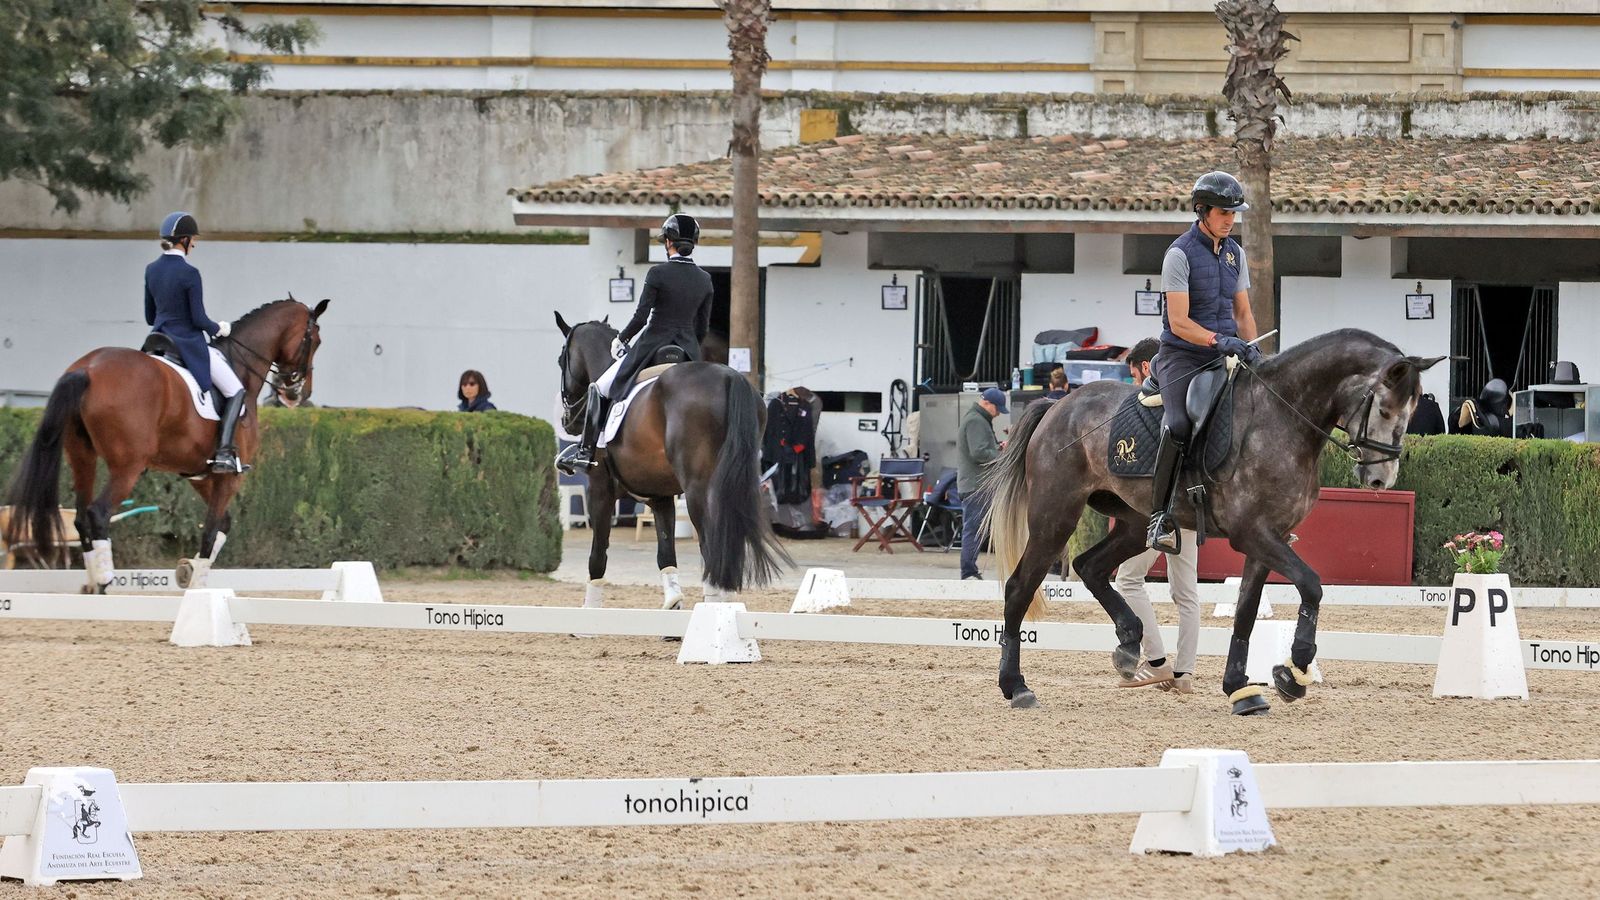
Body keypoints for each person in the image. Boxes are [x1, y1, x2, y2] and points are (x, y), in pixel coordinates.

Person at [1147, 172, 1262, 554]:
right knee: (1179, 423)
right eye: (1223, 212)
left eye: (1234, 213)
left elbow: (1243, 311)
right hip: (1183, 356)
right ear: (1202, 211)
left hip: (1225, 353)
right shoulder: (1178, 255)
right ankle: (1159, 516)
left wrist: (1254, 351)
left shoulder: (1235, 253)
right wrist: (1218, 340)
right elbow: (1179, 322)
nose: (1230, 219)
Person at [557, 213, 714, 473]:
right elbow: (702, 328)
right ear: (693, 243)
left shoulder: (658, 273)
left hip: (652, 345)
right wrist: (691, 349)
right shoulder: (705, 280)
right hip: (688, 350)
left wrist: (622, 338)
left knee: (599, 387)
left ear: (668, 242)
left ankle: (585, 451)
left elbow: (642, 317)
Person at [1114, 337, 1199, 692]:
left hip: (1163, 512)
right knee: (1186, 593)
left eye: (1136, 375)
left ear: (1146, 368)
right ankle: (1185, 675)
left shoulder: (1151, 410)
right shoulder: (1191, 395)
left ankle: (1158, 660)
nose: (1136, 384)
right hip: (1194, 508)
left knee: (1128, 579)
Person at [144, 211, 249, 474]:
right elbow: (199, 318)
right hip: (187, 342)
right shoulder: (190, 273)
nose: (195, 244)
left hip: (158, 341)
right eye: (193, 239)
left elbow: (149, 316)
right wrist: (219, 329)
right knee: (236, 390)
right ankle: (225, 452)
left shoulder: (151, 269)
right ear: (184, 240)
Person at [957, 387, 1006, 580]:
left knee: (975, 529)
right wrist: (1002, 455)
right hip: (976, 486)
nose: (999, 412)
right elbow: (978, 453)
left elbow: (982, 448)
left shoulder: (977, 419)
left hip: (975, 485)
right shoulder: (976, 421)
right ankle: (968, 572)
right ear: (987, 404)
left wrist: (996, 446)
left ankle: (969, 570)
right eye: (998, 408)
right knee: (974, 530)